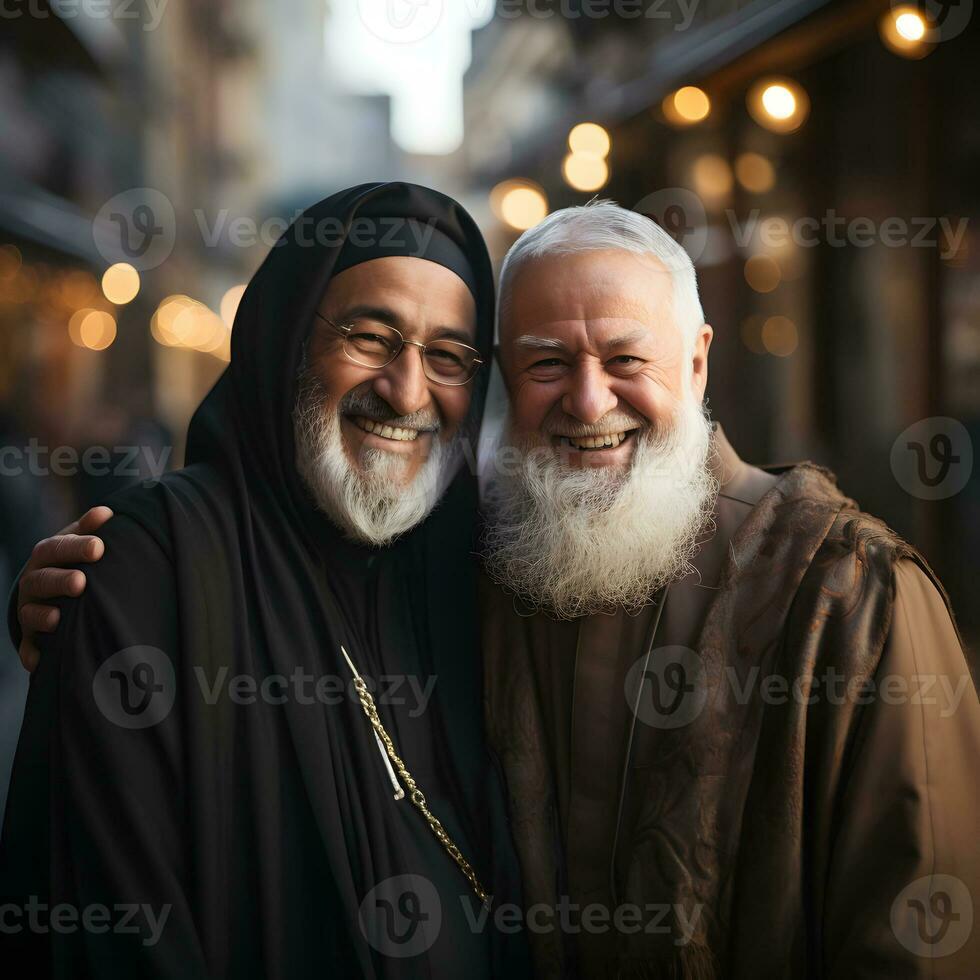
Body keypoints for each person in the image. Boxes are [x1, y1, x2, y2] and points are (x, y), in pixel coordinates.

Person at [14, 201, 980, 979]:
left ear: (697, 361)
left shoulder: (852, 594)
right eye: (546, 363)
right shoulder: (480, 554)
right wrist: (101, 597)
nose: (589, 400)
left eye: (627, 359)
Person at [1, 182, 526, 979]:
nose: (408, 391)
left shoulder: (477, 581)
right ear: (287, 343)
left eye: (449, 356)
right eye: (371, 336)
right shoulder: (154, 564)